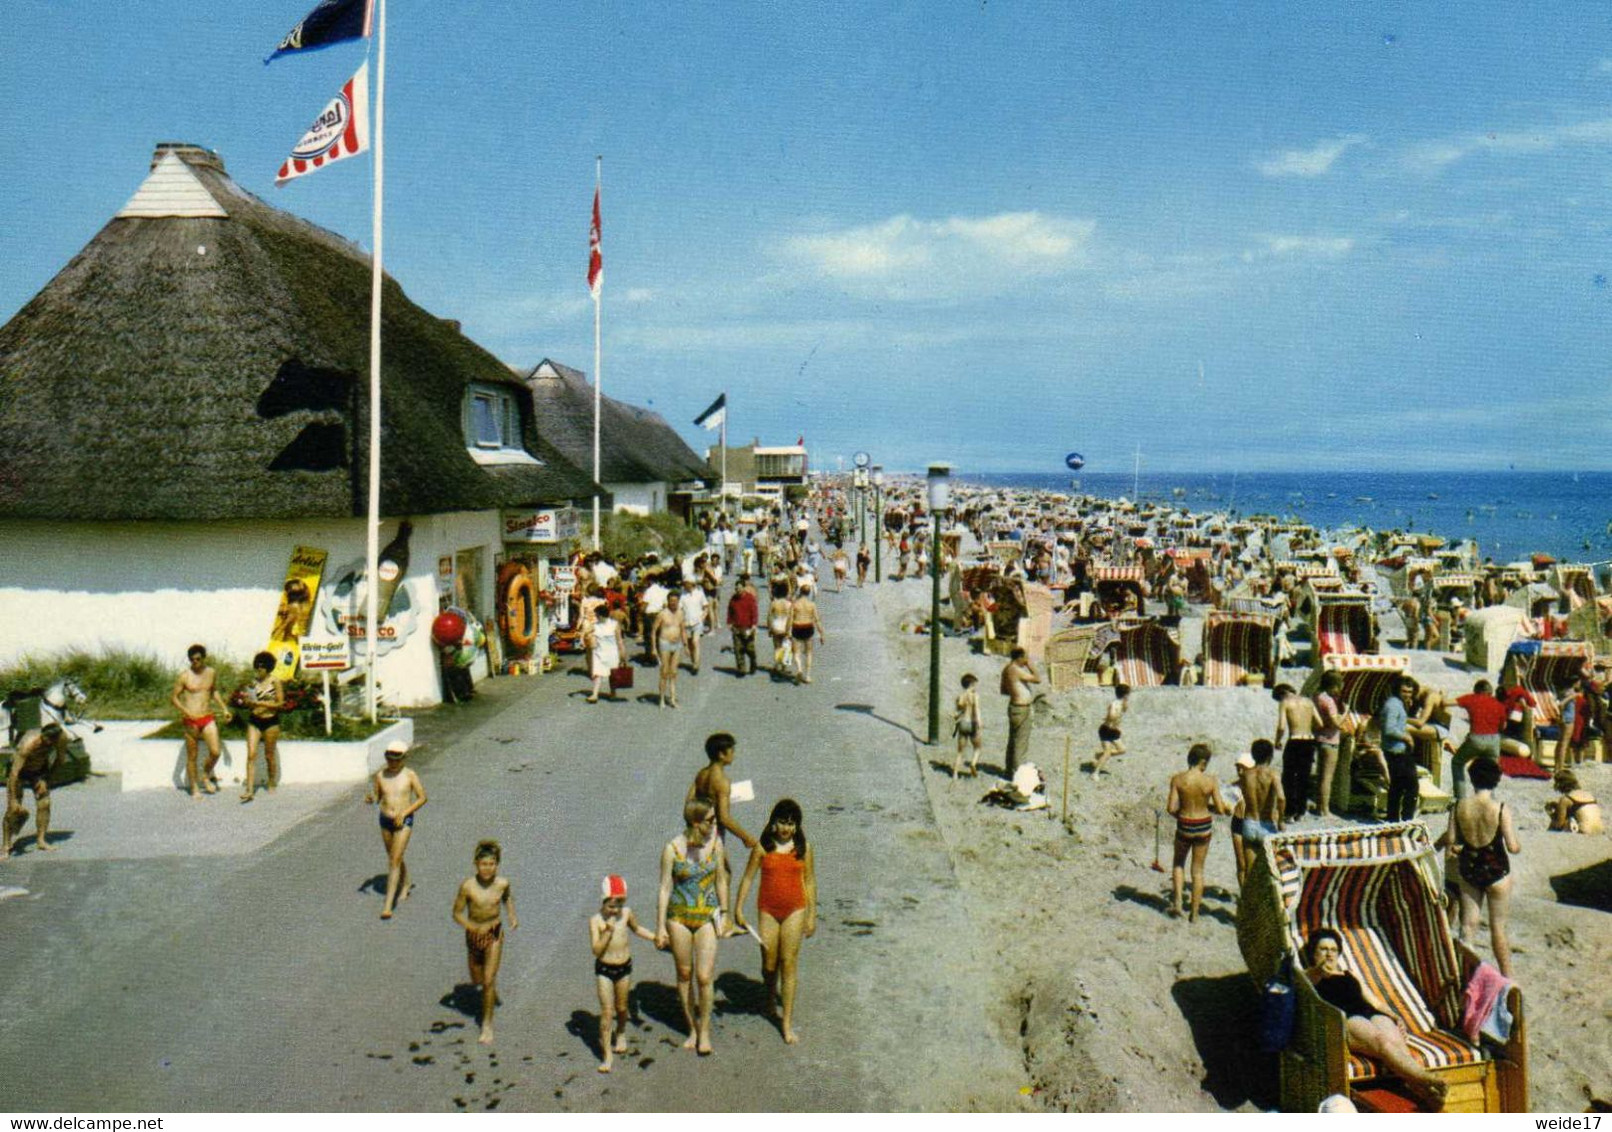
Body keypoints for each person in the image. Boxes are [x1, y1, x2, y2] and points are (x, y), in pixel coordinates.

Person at [1302, 929, 1450, 1110]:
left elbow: (1375, 1002)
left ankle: (1420, 1090)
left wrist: (1396, 1017)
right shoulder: (1309, 976)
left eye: (1333, 949)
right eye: (1323, 949)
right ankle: (1425, 1078)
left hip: (1370, 1013)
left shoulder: (1350, 974)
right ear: (1313, 952)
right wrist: (1318, 970)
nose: (1329, 953)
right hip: (1346, 1018)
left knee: (1397, 1042)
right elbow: (1304, 981)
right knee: (1382, 1042)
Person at [734, 799, 818, 1045]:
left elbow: (810, 881)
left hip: (795, 910)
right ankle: (769, 997)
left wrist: (811, 915)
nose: (786, 828)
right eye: (782, 822)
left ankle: (786, 1022)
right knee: (769, 964)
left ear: (797, 826)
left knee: (788, 962)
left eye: (791, 824)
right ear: (773, 822)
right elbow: (748, 878)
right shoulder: (763, 847)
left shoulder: (804, 848)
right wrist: (738, 907)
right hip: (768, 910)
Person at [655, 799, 733, 1055]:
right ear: (695, 822)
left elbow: (721, 880)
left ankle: (706, 1031)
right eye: (710, 820)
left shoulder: (716, 845)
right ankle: (692, 1028)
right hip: (678, 917)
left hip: (706, 915)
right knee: (685, 975)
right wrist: (660, 927)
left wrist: (725, 913)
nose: (715, 825)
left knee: (704, 976)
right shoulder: (672, 849)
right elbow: (665, 888)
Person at [1437, 758, 1520, 975]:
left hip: (1470, 869)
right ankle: (1508, 978)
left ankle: (1462, 974)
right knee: (1498, 929)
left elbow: (1452, 840)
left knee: (1467, 927)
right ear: (1496, 781)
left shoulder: (1458, 807)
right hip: (1497, 870)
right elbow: (1512, 847)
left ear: (1472, 779)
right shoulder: (1500, 809)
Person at [452, 840, 518, 1045]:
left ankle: (487, 1024)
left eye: (491, 864)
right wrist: (472, 928)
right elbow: (456, 913)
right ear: (476, 864)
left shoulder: (502, 884)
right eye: (483, 864)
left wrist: (511, 915)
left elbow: (507, 898)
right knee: (477, 979)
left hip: (494, 932)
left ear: (497, 864)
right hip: (473, 934)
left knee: (489, 981)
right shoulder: (467, 886)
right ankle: (486, 990)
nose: (487, 868)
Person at [590, 875, 656, 1073]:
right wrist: (607, 932)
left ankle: (621, 1031)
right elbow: (596, 950)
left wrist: (655, 937)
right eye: (611, 906)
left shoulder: (626, 914)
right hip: (604, 969)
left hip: (624, 967)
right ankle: (607, 1056)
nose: (615, 911)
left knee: (621, 1007)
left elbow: (637, 929)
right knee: (607, 1011)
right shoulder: (596, 921)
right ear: (603, 902)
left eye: (619, 906)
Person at [1166, 743, 1229, 922]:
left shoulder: (1178, 779)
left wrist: (1182, 814)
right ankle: (1194, 913)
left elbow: (1171, 808)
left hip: (1185, 823)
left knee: (1178, 863)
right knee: (1198, 870)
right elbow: (1220, 809)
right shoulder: (1210, 781)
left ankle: (1178, 903)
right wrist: (1207, 806)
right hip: (1203, 824)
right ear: (1203, 761)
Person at [365, 742, 426, 919]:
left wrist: (405, 812)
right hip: (385, 820)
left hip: (404, 820)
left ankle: (387, 905)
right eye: (389, 760)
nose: (392, 763)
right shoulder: (380, 776)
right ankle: (406, 882)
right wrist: (371, 798)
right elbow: (378, 797)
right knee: (394, 856)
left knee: (393, 861)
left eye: (396, 760)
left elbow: (422, 798)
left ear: (403, 759)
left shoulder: (410, 775)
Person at [171, 644, 231, 798]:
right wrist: (186, 711)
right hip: (191, 720)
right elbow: (174, 697)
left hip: (207, 716)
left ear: (204, 658)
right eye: (192, 659)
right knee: (192, 756)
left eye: (198, 659)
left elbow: (213, 691)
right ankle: (194, 788)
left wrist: (224, 708)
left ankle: (205, 775)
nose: (195, 662)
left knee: (215, 751)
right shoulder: (185, 676)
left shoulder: (211, 672)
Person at [687, 732, 758, 853]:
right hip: (713, 834)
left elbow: (689, 801)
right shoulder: (722, 781)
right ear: (721, 754)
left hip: (698, 831)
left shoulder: (701, 774)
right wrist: (746, 838)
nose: (733, 755)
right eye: (731, 751)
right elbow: (724, 818)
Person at [3, 721, 66, 856]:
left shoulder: (61, 739)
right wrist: (13, 799)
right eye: (44, 740)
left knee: (45, 803)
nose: (46, 744)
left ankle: (41, 840)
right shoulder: (28, 744)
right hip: (18, 772)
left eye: (50, 743)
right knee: (13, 809)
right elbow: (14, 774)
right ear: (42, 735)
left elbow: (60, 760)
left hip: (39, 771)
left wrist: (47, 780)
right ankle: (6, 845)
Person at [238, 651, 286, 803]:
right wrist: (246, 701)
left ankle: (271, 781)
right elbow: (248, 702)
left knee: (269, 755)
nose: (259, 669)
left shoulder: (274, 682)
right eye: (257, 666)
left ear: (268, 667)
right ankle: (249, 789)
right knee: (251, 754)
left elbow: (280, 703)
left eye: (262, 666)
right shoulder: (253, 683)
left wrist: (261, 704)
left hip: (271, 721)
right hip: (255, 720)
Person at [1237, 738, 1284, 881]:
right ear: (1270, 756)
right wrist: (1281, 820)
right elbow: (1281, 798)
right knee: (1268, 871)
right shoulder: (1273, 774)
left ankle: (1250, 902)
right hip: (1267, 823)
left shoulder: (1246, 775)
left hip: (1250, 823)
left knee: (1250, 872)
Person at [1451, 679, 1506, 801]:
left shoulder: (1472, 698)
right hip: (1494, 741)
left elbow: (1447, 702)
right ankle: (1488, 800)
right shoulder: (1499, 705)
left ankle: (1460, 798)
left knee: (1457, 762)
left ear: (1476, 691)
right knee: (1489, 770)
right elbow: (1503, 727)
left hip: (1476, 738)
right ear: (1490, 692)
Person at [1274, 683, 1320, 822]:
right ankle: (1301, 811)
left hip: (1295, 740)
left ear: (1281, 694)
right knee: (1304, 777)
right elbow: (1320, 722)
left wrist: (1277, 741)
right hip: (1309, 740)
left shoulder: (1285, 702)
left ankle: (1290, 812)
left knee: (1289, 778)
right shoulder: (1309, 702)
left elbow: (1281, 726)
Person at [1376, 676, 1419, 822]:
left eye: (1410, 692)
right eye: (1404, 691)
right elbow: (1389, 728)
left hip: (1395, 750)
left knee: (1397, 787)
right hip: (1396, 751)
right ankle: (1406, 819)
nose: (1407, 694)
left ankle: (1393, 819)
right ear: (1397, 690)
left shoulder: (1396, 704)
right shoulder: (1393, 705)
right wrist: (1406, 737)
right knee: (1412, 786)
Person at [1313, 671, 1344, 817]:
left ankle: (1320, 806)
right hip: (1331, 740)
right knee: (1327, 777)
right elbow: (1336, 723)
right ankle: (1324, 810)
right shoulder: (1329, 701)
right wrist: (1346, 712)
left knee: (1321, 776)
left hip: (1319, 738)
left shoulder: (1317, 697)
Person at [585, 601, 626, 703]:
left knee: (612, 674)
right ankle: (595, 695)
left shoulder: (614, 624)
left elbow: (619, 640)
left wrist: (623, 655)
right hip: (599, 652)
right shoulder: (595, 625)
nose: (596, 617)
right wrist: (587, 636)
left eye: (597, 615)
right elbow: (586, 632)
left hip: (612, 652)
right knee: (598, 674)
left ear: (601, 615)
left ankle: (613, 692)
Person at [788, 582, 826, 685]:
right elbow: (817, 619)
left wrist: (787, 631)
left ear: (800, 592)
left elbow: (790, 619)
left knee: (796, 652)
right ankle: (808, 675)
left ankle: (799, 669)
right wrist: (821, 634)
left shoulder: (795, 604)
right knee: (809, 652)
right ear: (809, 593)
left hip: (797, 626)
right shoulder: (812, 605)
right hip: (808, 627)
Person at [1090, 682, 1129, 778]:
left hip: (1114, 731)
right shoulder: (1114, 704)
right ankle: (1095, 773)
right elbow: (1111, 715)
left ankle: (1099, 755)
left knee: (1122, 750)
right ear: (1125, 694)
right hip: (1106, 730)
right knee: (1107, 753)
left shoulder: (1123, 703)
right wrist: (1114, 717)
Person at [1544, 770, 1603, 834]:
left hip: (1584, 832)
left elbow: (1558, 825)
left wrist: (1551, 813)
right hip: (1599, 831)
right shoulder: (1589, 795)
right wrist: (1557, 807)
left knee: (1561, 822)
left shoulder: (1566, 799)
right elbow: (1579, 809)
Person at [654, 590, 684, 708]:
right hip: (665, 643)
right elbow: (653, 631)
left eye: (675, 601)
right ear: (668, 601)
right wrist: (653, 648)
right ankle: (661, 698)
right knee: (664, 672)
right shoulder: (662, 614)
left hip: (677, 644)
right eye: (671, 601)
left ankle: (672, 698)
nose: (673, 603)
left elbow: (682, 629)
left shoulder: (681, 613)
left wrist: (685, 644)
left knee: (674, 672)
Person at [726, 576, 759, 678]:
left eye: (739, 588)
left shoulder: (750, 598)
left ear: (744, 588)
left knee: (750, 649)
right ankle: (741, 669)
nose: (737, 590)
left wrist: (754, 625)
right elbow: (730, 611)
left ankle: (753, 663)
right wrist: (729, 623)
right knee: (738, 649)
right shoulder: (733, 599)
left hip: (748, 628)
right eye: (736, 588)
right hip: (736, 627)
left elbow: (754, 612)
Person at [951, 673, 983, 778]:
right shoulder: (975, 696)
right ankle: (973, 764)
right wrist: (979, 721)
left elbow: (958, 712)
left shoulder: (960, 697)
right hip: (972, 723)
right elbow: (976, 709)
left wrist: (955, 717)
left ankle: (955, 774)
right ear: (972, 684)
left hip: (963, 723)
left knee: (960, 752)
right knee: (977, 748)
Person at [680, 576, 709, 675]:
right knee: (690, 645)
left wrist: (703, 617)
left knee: (695, 641)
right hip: (686, 622)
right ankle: (693, 662)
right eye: (684, 583)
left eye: (687, 583)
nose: (685, 585)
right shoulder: (682, 595)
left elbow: (706, 607)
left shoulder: (699, 594)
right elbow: (680, 609)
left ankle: (696, 665)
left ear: (692, 584)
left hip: (697, 622)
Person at [767, 580, 794, 676]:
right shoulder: (789, 604)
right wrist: (789, 629)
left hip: (776, 625)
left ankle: (777, 665)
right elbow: (791, 618)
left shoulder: (774, 603)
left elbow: (769, 616)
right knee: (786, 647)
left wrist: (769, 628)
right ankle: (784, 667)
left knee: (777, 647)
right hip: (785, 625)